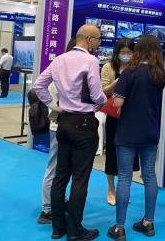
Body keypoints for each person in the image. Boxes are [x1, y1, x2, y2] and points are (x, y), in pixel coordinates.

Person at [33, 24, 106, 241]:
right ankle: (75, 230)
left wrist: (54, 106)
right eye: (98, 39)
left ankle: (58, 227)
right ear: (89, 39)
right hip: (84, 123)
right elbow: (96, 94)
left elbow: (38, 85)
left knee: (60, 176)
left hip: (64, 122)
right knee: (80, 179)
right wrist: (102, 100)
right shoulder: (90, 61)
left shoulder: (59, 59)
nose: (99, 43)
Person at [107, 35, 165, 240]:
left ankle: (119, 227)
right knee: (149, 175)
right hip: (150, 131)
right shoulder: (159, 74)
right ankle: (148, 222)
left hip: (128, 132)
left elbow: (117, 103)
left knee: (125, 177)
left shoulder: (130, 72)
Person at [37, 36, 77, 225]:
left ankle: (58, 201)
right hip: (58, 126)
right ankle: (47, 209)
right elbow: (40, 88)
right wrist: (55, 107)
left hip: (67, 126)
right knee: (54, 167)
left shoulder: (66, 71)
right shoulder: (60, 71)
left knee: (63, 168)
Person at [101, 38, 136, 206]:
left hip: (131, 117)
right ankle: (111, 188)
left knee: (129, 154)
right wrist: (117, 83)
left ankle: (124, 189)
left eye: (129, 52)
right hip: (113, 116)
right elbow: (102, 91)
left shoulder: (136, 68)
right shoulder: (109, 67)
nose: (126, 55)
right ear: (117, 53)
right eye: (123, 52)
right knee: (112, 152)